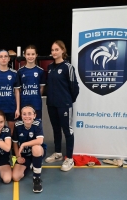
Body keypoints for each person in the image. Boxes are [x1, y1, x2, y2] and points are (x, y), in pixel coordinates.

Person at [45, 40, 79, 172]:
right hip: (51, 104)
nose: (54, 52)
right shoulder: (49, 67)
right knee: (56, 129)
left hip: (64, 104)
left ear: (63, 51)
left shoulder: (68, 67)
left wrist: (68, 101)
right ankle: (58, 153)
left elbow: (74, 88)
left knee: (67, 130)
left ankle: (69, 158)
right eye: (52, 50)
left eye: (56, 50)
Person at [12, 105, 45, 193]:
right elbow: (15, 143)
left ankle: (36, 178)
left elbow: (40, 140)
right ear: (21, 116)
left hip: (37, 151)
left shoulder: (37, 123)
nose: (27, 116)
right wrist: (18, 156)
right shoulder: (17, 125)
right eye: (24, 114)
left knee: (36, 148)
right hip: (24, 155)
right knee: (15, 177)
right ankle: (31, 164)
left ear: (34, 115)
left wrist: (24, 144)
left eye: (30, 114)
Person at [0, 49, 20, 135]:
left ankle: (9, 148)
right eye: (1, 57)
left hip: (10, 107)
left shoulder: (14, 73)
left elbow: (17, 92)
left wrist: (17, 108)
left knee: (11, 131)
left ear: (9, 58)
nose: (3, 58)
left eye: (5, 56)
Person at [17, 45, 46, 119]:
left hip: (36, 105)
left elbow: (41, 88)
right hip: (24, 104)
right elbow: (19, 89)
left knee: (37, 126)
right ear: (24, 55)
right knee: (23, 127)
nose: (30, 56)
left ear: (36, 55)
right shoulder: (20, 71)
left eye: (33, 54)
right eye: (28, 54)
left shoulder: (40, 71)